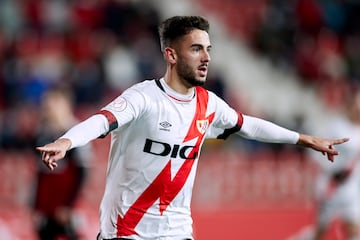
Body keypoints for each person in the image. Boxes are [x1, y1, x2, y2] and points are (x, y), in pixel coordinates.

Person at [36, 16, 349, 240]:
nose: (207, 57)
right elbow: (102, 121)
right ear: (171, 55)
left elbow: (248, 125)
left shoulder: (209, 104)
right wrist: (66, 141)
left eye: (208, 49)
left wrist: (304, 139)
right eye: (197, 49)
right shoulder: (143, 97)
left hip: (177, 231)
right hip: (126, 230)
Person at [33, 88, 91, 240]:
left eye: (53, 104)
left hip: (67, 205)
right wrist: (37, 206)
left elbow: (82, 172)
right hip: (48, 205)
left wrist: (69, 205)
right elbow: (41, 174)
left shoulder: (77, 134)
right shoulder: (42, 133)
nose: (49, 109)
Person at [306, 88, 360, 240]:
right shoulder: (335, 127)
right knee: (320, 232)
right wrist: (332, 169)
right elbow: (314, 150)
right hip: (332, 186)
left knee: (354, 229)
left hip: (351, 188)